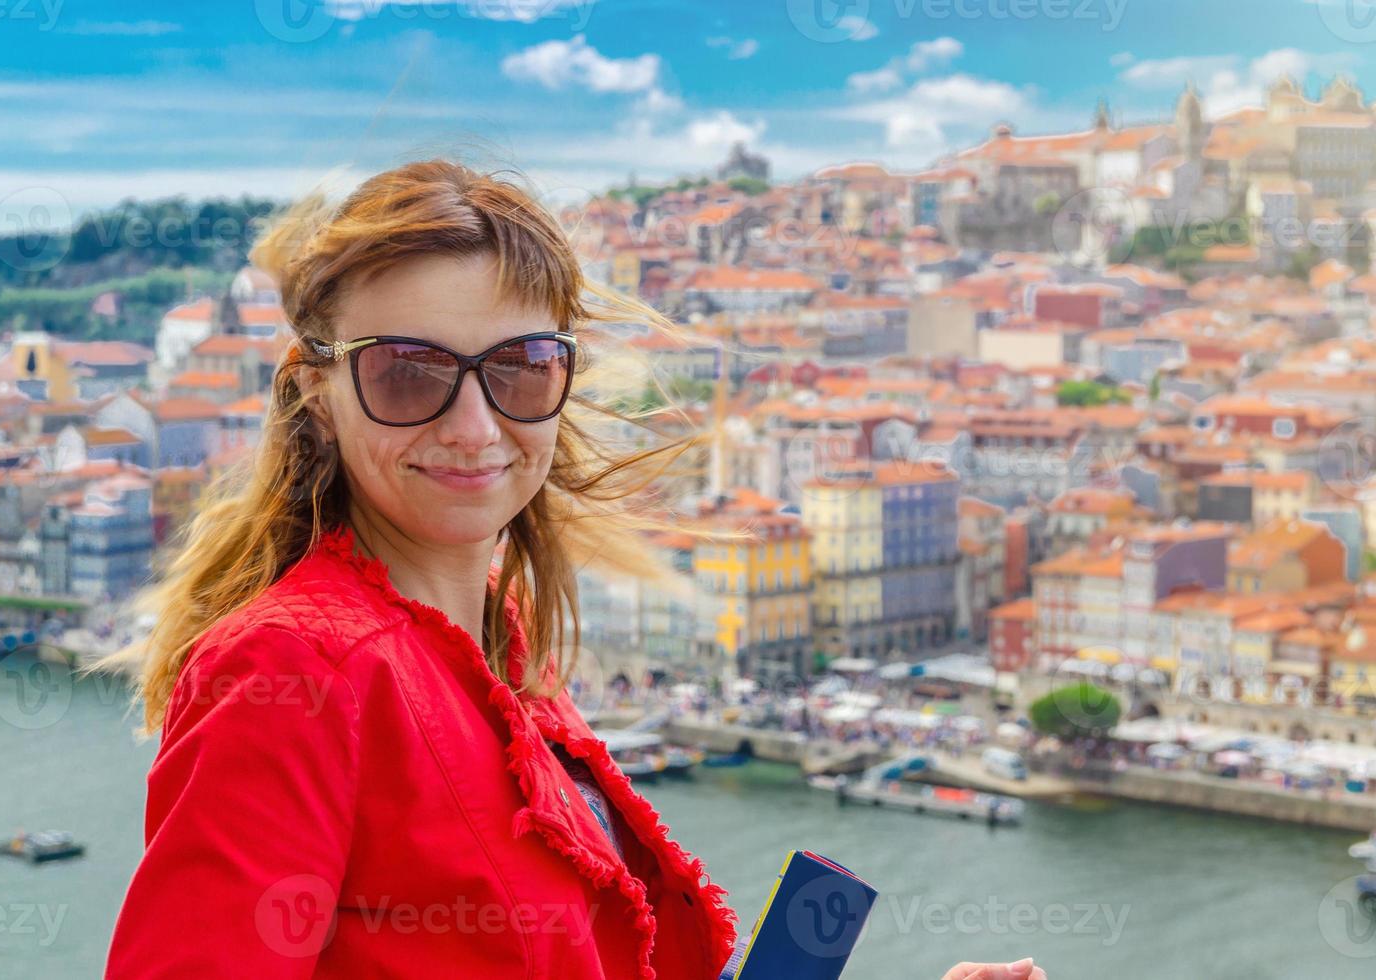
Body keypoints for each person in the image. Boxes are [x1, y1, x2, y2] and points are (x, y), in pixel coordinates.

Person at [101, 160, 1046, 980]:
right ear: (317, 391)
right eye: (405, 372)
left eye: (517, 368)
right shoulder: (296, 670)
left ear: (561, 379)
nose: (473, 426)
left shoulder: (501, 651)